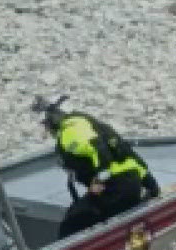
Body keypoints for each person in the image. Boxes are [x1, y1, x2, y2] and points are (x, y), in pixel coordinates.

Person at [34, 95, 160, 239]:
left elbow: (98, 149)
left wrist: (100, 179)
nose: (47, 129)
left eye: (46, 124)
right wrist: (150, 183)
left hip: (114, 188)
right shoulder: (94, 125)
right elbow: (129, 155)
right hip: (132, 184)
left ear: (54, 118)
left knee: (71, 223)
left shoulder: (70, 130)